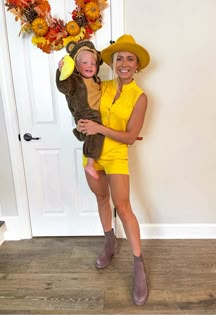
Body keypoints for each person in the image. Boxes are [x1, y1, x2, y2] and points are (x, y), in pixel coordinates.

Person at [78, 34, 150, 305]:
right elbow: (76, 86)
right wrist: (67, 65)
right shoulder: (102, 85)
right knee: (101, 198)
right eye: (119, 58)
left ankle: (139, 265)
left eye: (129, 58)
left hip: (117, 157)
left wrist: (100, 128)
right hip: (93, 156)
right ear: (113, 63)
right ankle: (110, 241)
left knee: (125, 207)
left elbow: (130, 136)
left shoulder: (140, 97)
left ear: (136, 66)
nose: (123, 62)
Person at [56, 40, 104, 179]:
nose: (89, 66)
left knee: (95, 131)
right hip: (86, 112)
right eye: (84, 63)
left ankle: (80, 132)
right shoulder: (74, 80)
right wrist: (61, 71)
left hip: (93, 112)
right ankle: (90, 163)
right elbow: (63, 86)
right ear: (76, 66)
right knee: (97, 132)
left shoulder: (96, 80)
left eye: (93, 63)